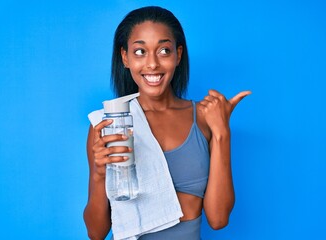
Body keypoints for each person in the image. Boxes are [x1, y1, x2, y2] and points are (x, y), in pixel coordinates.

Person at [83, 6, 251, 240]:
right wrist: (99, 174)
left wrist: (222, 132)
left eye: (163, 50)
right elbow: (96, 232)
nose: (152, 64)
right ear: (125, 57)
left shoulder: (202, 118)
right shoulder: (108, 125)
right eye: (140, 51)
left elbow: (218, 219)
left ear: (178, 55)